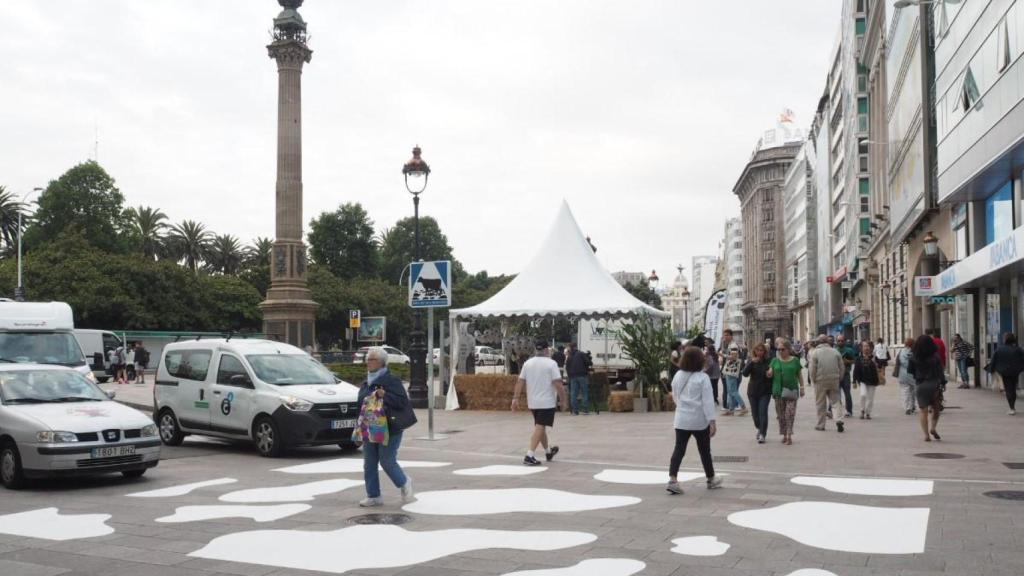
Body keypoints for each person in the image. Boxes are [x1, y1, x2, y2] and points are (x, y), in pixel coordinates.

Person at [356, 347, 414, 507]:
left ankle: (404, 482)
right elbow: (360, 403)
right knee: (369, 463)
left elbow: (402, 401)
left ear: (381, 363)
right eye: (368, 359)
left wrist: (385, 395)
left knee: (387, 461)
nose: (368, 362)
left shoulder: (391, 380)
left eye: (372, 359)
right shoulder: (366, 381)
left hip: (390, 427)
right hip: (370, 426)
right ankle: (373, 496)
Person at [667, 345, 723, 495]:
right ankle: (711, 478)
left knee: (679, 449)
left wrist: (682, 407)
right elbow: (708, 401)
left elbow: (675, 395)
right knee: (705, 451)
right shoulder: (703, 378)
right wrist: (712, 421)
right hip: (699, 420)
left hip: (681, 419)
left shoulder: (678, 375)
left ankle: (673, 479)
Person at [511, 341, 569, 465]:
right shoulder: (551, 364)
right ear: (547, 350)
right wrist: (563, 400)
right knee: (540, 426)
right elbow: (558, 384)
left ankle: (548, 451)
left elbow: (520, 381)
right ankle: (529, 455)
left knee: (540, 426)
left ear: (535, 350)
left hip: (532, 402)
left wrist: (515, 398)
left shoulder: (528, 363)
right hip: (547, 402)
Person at [908, 335, 945, 441]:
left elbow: (910, 371)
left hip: (920, 385)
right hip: (934, 384)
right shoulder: (935, 357)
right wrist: (943, 383)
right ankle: (933, 428)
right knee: (936, 408)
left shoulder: (913, 358)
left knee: (923, 411)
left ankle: (926, 435)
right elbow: (940, 372)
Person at [769, 337, 805, 445]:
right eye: (778, 349)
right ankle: (784, 435)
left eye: (782, 349)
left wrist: (802, 388)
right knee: (781, 415)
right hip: (778, 392)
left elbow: (799, 375)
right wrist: (769, 373)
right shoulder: (774, 361)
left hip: (791, 391)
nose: (780, 351)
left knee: (790, 414)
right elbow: (770, 371)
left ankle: (789, 435)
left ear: (788, 349)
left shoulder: (795, 361)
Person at [808, 334, 845, 433]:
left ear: (819, 342)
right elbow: (842, 367)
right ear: (828, 342)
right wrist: (839, 377)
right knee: (836, 401)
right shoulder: (835, 352)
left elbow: (812, 369)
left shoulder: (815, 353)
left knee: (820, 403)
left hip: (820, 380)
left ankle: (821, 424)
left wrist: (813, 380)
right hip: (834, 380)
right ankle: (839, 420)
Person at [987, 332, 1024, 415]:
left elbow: (994, 360)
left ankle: (1011, 407)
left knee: (1008, 389)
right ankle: (1012, 405)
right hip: (1015, 371)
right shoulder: (1018, 349)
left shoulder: (999, 349)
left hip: (1004, 372)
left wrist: (991, 370)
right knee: (1013, 387)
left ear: (1005, 340)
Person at [743, 342, 772, 443]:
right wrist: (751, 362)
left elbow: (772, 374)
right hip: (753, 392)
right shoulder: (751, 361)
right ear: (754, 351)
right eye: (758, 350)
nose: (760, 352)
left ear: (765, 352)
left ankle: (763, 434)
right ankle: (759, 428)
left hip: (765, 391)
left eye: (762, 350)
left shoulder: (769, 361)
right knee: (755, 415)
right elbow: (744, 374)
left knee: (763, 413)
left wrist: (770, 374)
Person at [853, 341, 881, 419]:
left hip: (872, 380)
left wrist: (877, 365)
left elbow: (880, 366)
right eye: (864, 346)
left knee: (870, 398)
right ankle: (862, 410)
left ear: (871, 348)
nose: (866, 348)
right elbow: (856, 370)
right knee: (863, 395)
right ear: (861, 348)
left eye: (867, 346)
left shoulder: (874, 358)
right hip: (862, 380)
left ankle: (868, 412)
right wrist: (854, 381)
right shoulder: (858, 358)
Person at [565, 342, 592, 415]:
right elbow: (588, 363)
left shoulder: (569, 356)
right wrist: (589, 358)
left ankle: (575, 410)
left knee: (574, 393)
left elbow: (567, 367)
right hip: (582, 375)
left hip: (573, 376)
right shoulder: (581, 354)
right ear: (576, 347)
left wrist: (569, 375)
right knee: (584, 392)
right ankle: (585, 410)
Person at [893, 337, 917, 415]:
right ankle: (912, 405)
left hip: (902, 374)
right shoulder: (915, 352)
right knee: (913, 391)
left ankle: (907, 407)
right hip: (913, 374)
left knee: (904, 391)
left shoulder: (900, 351)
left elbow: (896, 362)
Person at [720, 347, 746, 416]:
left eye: (734, 353)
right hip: (729, 376)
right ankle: (731, 410)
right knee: (730, 393)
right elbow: (727, 365)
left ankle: (743, 407)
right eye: (731, 353)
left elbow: (728, 357)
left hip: (732, 377)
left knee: (734, 392)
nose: (732, 355)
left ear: (737, 354)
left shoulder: (737, 360)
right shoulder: (732, 359)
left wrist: (720, 354)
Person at [836, 335, 856, 417]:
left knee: (847, 393)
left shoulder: (849, 350)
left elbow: (854, 361)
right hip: (836, 375)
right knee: (836, 394)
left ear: (844, 341)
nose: (840, 342)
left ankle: (849, 411)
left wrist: (847, 361)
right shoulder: (834, 350)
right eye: (839, 341)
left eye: (842, 340)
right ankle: (837, 410)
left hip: (846, 375)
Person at [703, 338, 721, 406]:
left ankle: (713, 399)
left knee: (711, 387)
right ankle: (715, 398)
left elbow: (710, 365)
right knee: (715, 386)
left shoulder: (709, 356)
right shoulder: (715, 355)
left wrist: (705, 370)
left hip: (711, 374)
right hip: (716, 374)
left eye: (707, 349)